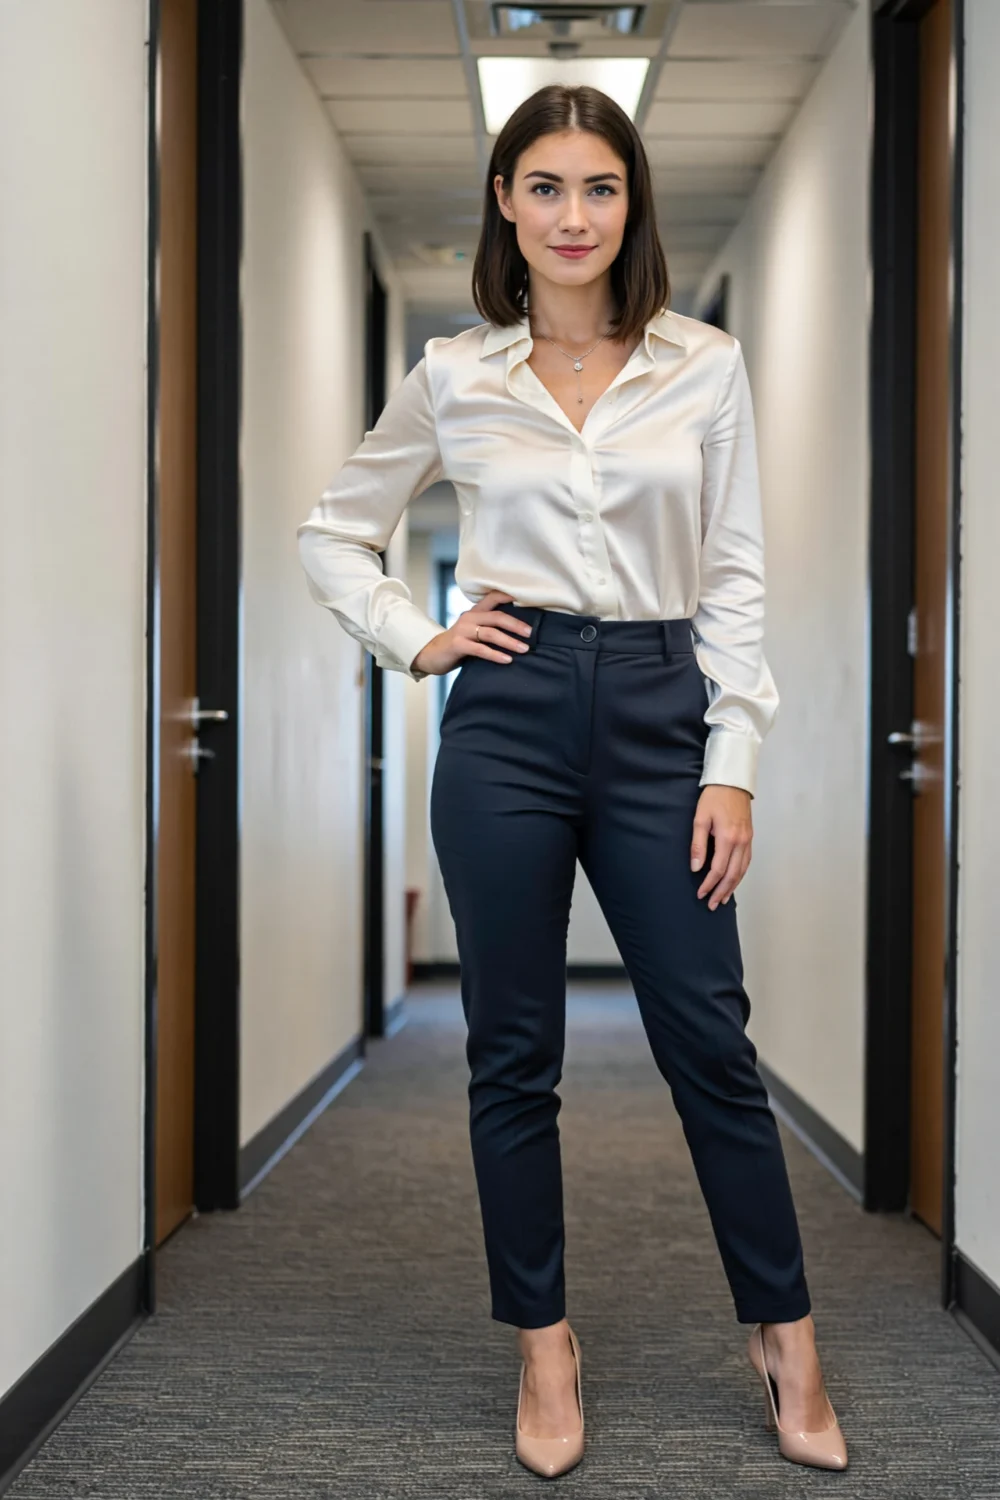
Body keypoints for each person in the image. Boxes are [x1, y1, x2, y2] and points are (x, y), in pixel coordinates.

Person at [297, 84, 848, 1480]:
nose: (573, 217)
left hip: (667, 710)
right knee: (512, 1052)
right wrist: (419, 640)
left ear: (631, 203)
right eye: (543, 186)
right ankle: (544, 1344)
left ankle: (785, 1333)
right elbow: (333, 533)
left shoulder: (704, 367)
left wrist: (734, 764)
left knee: (710, 1045)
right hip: (509, 719)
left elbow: (733, 579)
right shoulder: (454, 376)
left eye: (599, 188)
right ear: (504, 202)